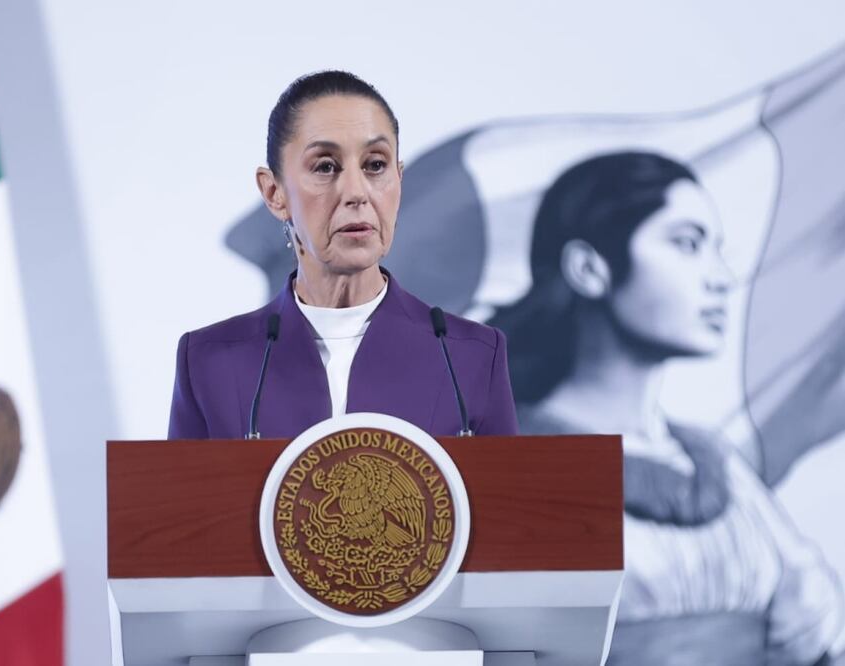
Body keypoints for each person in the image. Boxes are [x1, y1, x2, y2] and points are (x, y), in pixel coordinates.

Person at [491, 151, 844, 665]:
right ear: (589, 268)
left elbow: (815, 634)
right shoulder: (513, 467)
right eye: (686, 244)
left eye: (717, 250)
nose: (721, 278)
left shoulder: (719, 466)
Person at [168, 71, 517, 440]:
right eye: (325, 166)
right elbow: (182, 498)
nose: (356, 192)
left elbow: (509, 498)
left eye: (375, 165)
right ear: (274, 192)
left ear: (399, 180)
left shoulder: (469, 357)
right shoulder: (210, 363)